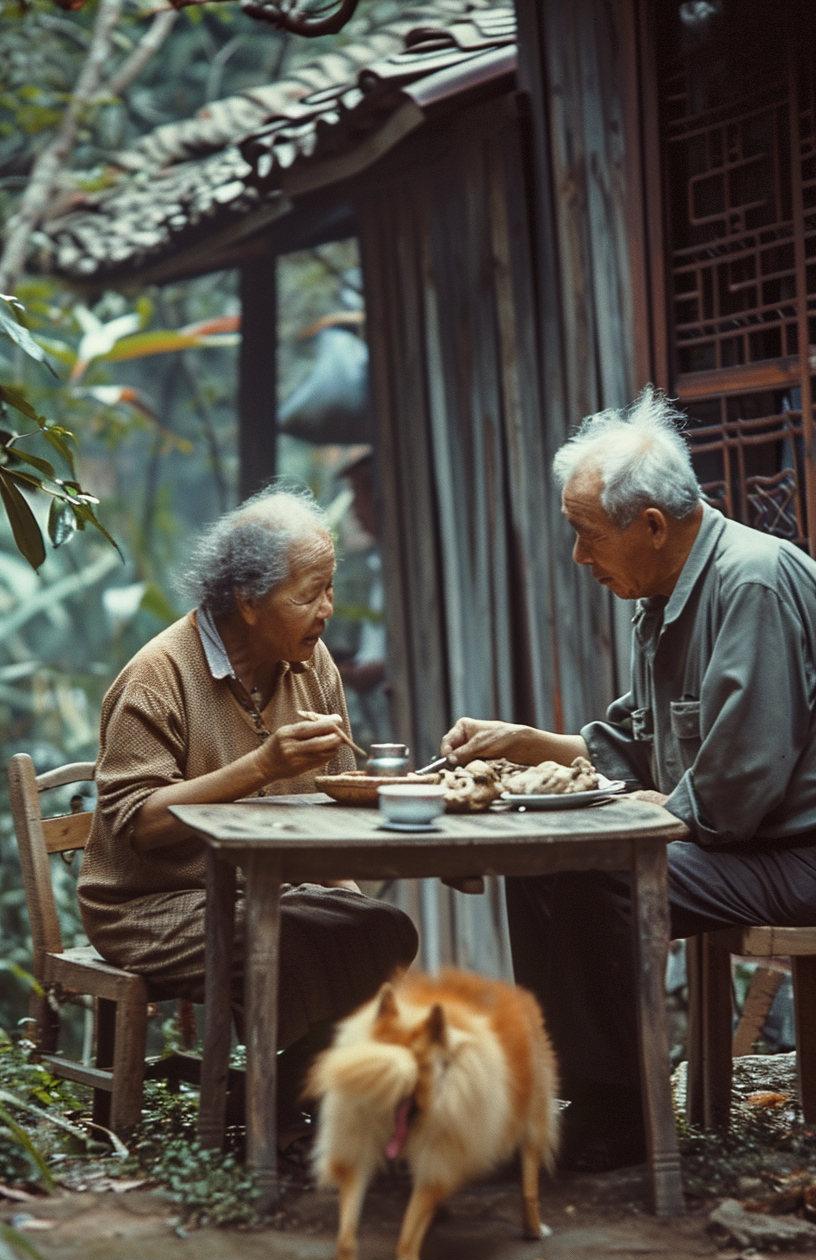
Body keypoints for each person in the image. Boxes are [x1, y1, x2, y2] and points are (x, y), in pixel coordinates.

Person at [440, 388, 816, 1169]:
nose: (579, 558)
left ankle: (621, 1114)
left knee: (595, 864)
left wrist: (655, 815)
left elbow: (738, 788)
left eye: (585, 536)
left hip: (791, 855)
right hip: (739, 847)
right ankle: (579, 1088)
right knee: (535, 857)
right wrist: (529, 744)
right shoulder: (663, 595)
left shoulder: (750, 583)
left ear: (650, 526)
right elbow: (633, 745)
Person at [78, 485, 418, 1143]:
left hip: (266, 888)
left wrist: (347, 893)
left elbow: (334, 802)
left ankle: (278, 1095)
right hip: (150, 904)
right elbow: (140, 824)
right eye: (307, 594)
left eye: (330, 588)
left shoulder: (310, 663)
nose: (327, 611)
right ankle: (271, 1113)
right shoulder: (156, 678)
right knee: (282, 950)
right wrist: (261, 767)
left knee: (385, 931)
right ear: (248, 601)